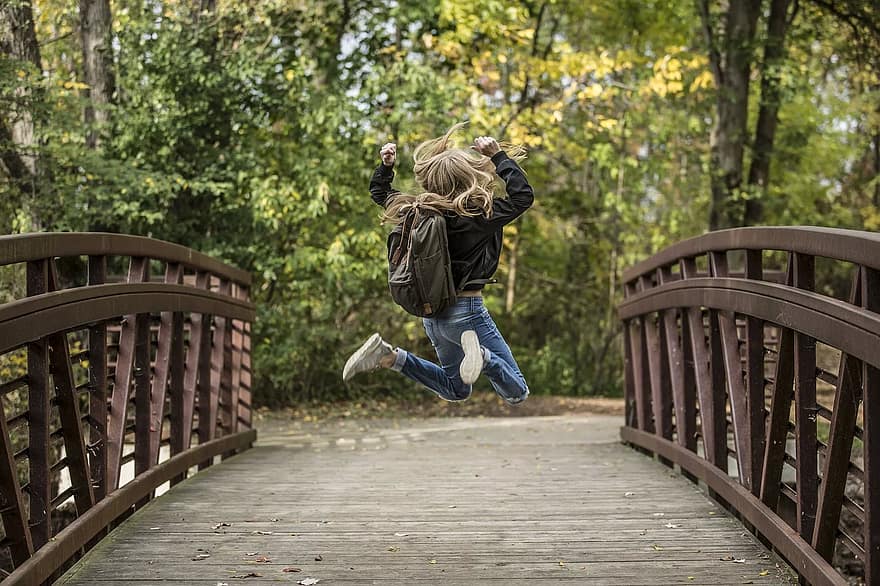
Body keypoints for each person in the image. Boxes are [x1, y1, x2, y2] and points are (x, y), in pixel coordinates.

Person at [342, 123, 532, 405]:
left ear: (432, 181)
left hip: (433, 316)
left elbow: (380, 194)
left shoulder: (416, 212)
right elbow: (522, 196)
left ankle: (389, 357)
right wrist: (498, 156)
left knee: (456, 390)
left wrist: (386, 168)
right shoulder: (479, 215)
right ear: (468, 176)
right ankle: (481, 356)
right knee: (517, 392)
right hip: (467, 313)